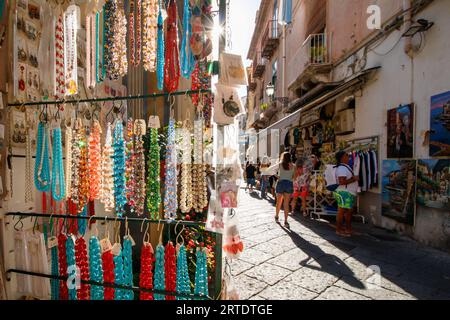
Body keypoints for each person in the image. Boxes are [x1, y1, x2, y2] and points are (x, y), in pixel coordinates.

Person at [334, 151, 359, 237]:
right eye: (346, 155)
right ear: (342, 158)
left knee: (348, 211)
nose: (349, 157)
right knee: (342, 211)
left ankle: (348, 229)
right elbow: (342, 182)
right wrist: (354, 179)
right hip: (345, 192)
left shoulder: (344, 167)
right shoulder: (342, 168)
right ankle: (339, 229)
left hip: (346, 192)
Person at [275, 152, 295, 229]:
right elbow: (294, 177)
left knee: (279, 202)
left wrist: (278, 176)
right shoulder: (293, 166)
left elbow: (272, 171)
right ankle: (286, 221)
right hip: (289, 184)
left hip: (280, 183)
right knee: (286, 204)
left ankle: (277, 216)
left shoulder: (280, 164)